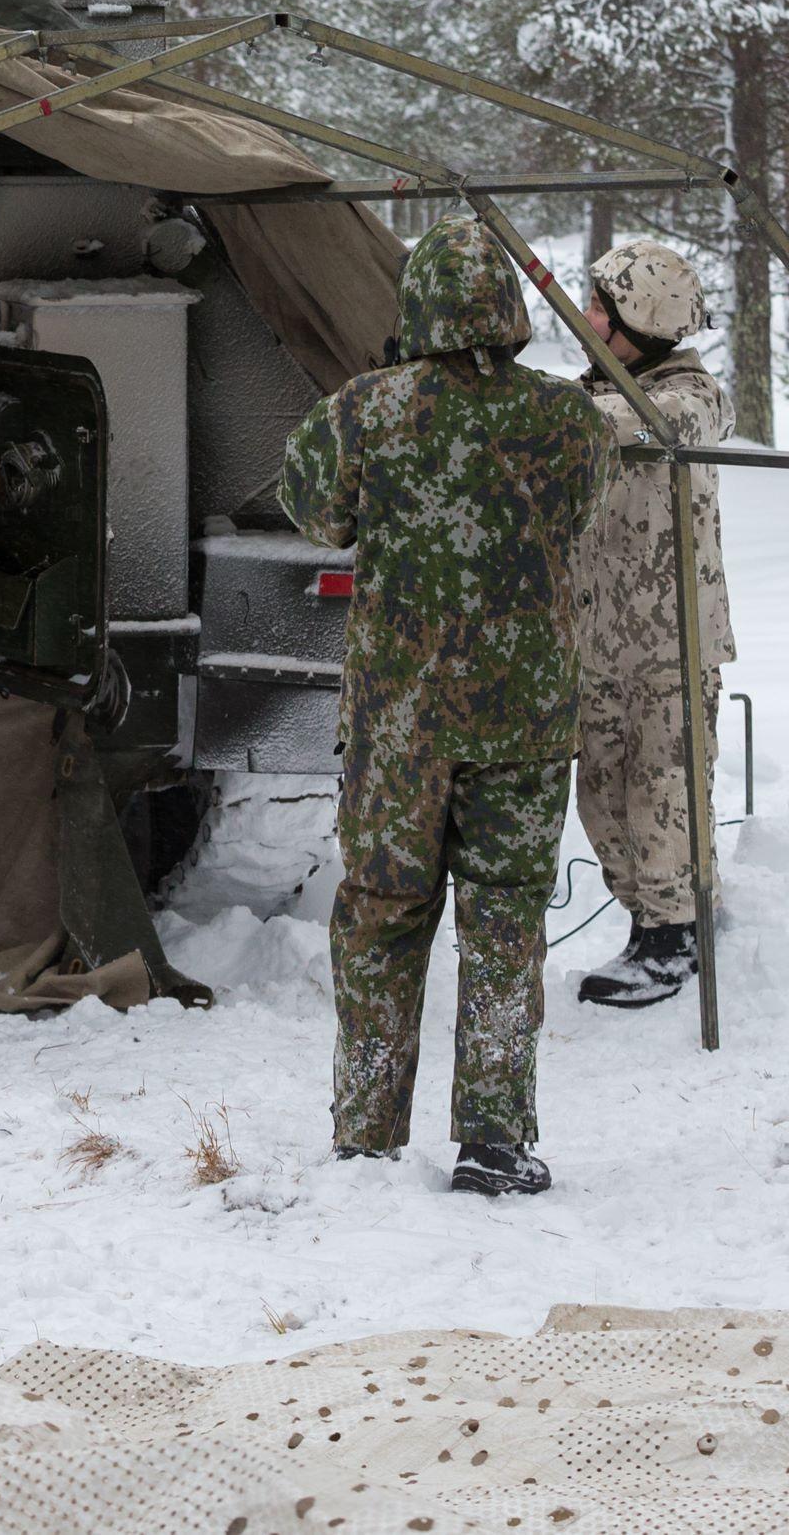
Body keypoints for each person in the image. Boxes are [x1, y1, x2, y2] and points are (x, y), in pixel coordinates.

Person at [277, 216, 612, 1196]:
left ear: (415, 306)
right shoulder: (567, 418)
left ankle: (366, 1134)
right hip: (523, 716)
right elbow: (579, 511)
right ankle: (494, 1139)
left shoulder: (361, 412)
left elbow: (312, 511)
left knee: (382, 909)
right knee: (505, 915)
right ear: (507, 312)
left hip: (399, 725)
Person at [566, 239, 737, 1009]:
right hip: (597, 636)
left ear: (642, 319)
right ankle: (650, 920)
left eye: (604, 305)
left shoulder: (691, 393)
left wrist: (558, 416)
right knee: (601, 794)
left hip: (671, 640)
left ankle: (675, 935)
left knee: (664, 789)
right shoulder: (590, 390)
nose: (589, 318)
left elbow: (659, 422)